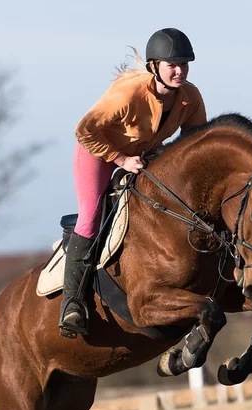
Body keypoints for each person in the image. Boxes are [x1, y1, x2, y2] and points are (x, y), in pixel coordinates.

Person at [59, 28, 207, 338]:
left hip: (142, 155)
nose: (180, 71)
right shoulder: (129, 93)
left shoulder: (190, 98)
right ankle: (71, 305)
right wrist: (121, 160)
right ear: (154, 67)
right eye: (172, 65)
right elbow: (85, 131)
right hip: (98, 152)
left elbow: (194, 144)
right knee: (90, 219)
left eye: (185, 64)